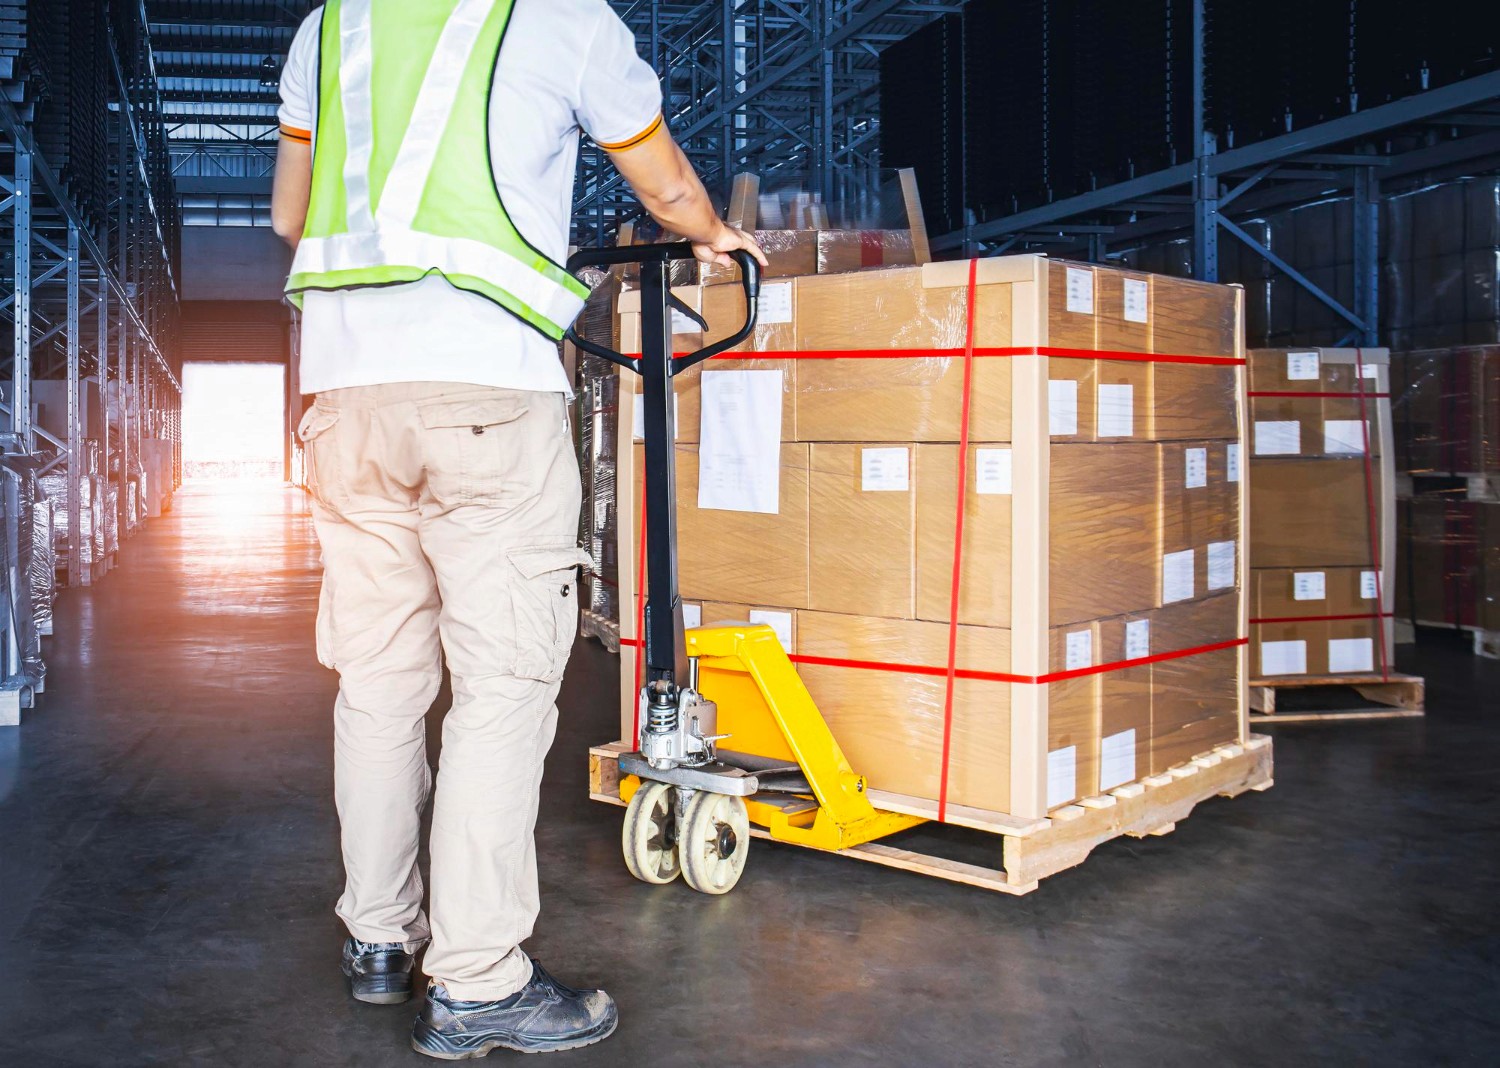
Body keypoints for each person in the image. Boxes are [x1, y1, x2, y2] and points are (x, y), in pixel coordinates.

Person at [270, 0, 766, 1059]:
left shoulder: (330, 27)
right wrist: (712, 235)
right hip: (486, 393)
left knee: (379, 682)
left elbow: (290, 214)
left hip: (346, 399)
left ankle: (378, 937)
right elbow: (666, 184)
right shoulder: (563, 17)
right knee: (499, 687)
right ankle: (480, 981)